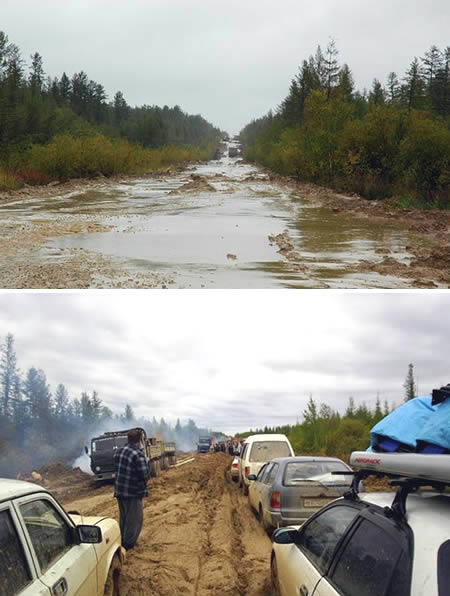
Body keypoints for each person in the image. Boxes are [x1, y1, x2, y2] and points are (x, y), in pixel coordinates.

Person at [114, 428, 150, 551]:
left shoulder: (119, 451)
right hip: (133, 493)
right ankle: (127, 547)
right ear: (139, 441)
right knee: (134, 521)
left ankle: (121, 541)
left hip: (120, 491)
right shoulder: (137, 454)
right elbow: (145, 475)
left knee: (123, 518)